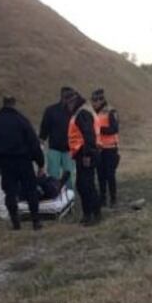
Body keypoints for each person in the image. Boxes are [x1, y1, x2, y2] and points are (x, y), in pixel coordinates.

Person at [0, 95, 45, 231]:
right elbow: (33, 143)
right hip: (23, 161)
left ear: (3, 104)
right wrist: (40, 162)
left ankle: (15, 222)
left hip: (5, 163)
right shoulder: (22, 121)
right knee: (31, 191)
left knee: (9, 192)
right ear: (14, 104)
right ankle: (36, 222)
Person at [68, 91, 102, 225]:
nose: (67, 105)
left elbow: (89, 135)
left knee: (86, 186)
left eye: (69, 102)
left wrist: (87, 155)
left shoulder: (82, 113)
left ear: (74, 101)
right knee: (83, 185)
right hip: (83, 153)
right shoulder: (83, 111)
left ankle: (94, 214)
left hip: (86, 153)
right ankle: (88, 214)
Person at [39, 87, 78, 191]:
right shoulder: (51, 110)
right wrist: (41, 142)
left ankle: (69, 198)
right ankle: (55, 197)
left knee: (69, 177)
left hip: (69, 149)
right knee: (53, 176)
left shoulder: (75, 112)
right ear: (62, 97)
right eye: (67, 96)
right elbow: (44, 128)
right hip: (54, 148)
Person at [91, 88, 121, 207]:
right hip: (98, 149)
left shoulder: (111, 111)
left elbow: (114, 129)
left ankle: (113, 199)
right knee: (100, 175)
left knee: (110, 174)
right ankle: (103, 198)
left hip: (110, 148)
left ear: (100, 100)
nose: (93, 102)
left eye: (95, 100)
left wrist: (98, 130)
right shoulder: (93, 112)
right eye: (93, 100)